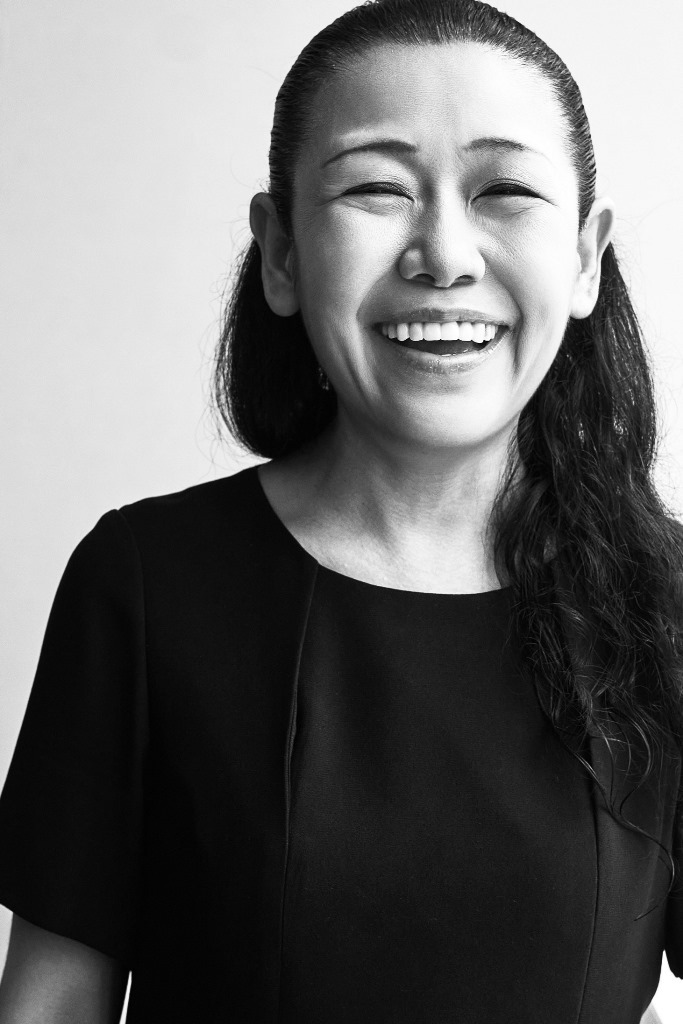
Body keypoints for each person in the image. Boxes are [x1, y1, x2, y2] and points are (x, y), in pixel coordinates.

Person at [0, 0, 681, 1021]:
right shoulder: (145, 583)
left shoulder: (666, 603)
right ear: (281, 252)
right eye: (375, 188)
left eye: (503, 191)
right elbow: (50, 1006)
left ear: (585, 256)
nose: (443, 254)